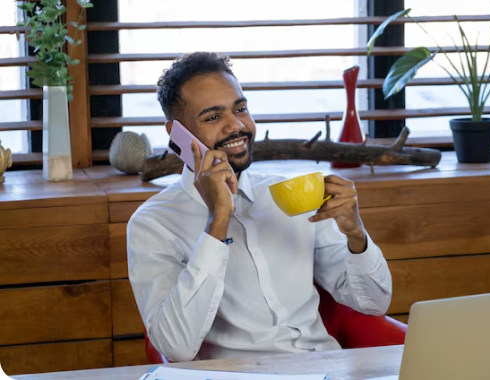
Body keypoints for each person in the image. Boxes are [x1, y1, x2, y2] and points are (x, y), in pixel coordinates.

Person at [127, 52, 392, 362]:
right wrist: (218, 219)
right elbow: (175, 347)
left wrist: (355, 235)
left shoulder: (294, 195)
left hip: (322, 369)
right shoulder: (153, 224)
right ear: (177, 135)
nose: (236, 125)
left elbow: (373, 304)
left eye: (240, 109)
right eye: (213, 117)